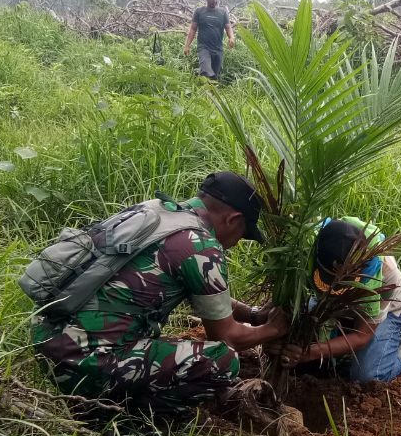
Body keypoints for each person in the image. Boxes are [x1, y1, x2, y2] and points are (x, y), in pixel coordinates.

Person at [31, 172, 286, 414]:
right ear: (233, 220)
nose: (237, 241)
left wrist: (252, 314)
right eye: (243, 234)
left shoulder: (156, 211)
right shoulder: (200, 246)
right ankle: (131, 421)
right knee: (222, 361)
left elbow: (201, 290)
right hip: (83, 364)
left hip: (48, 340)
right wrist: (275, 329)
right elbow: (228, 337)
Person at [278, 217, 401, 382]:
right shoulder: (308, 245)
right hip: (334, 306)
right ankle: (368, 349)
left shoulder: (384, 276)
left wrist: (312, 351)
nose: (334, 288)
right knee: (315, 362)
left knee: (368, 376)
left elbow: (362, 336)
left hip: (385, 310)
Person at [183, 0, 235, 81]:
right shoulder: (199, 12)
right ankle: (204, 83)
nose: (214, 1)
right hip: (204, 48)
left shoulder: (223, 12)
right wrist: (187, 46)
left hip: (218, 48)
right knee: (207, 71)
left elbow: (228, 27)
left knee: (215, 75)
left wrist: (231, 37)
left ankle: (208, 92)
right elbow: (193, 29)